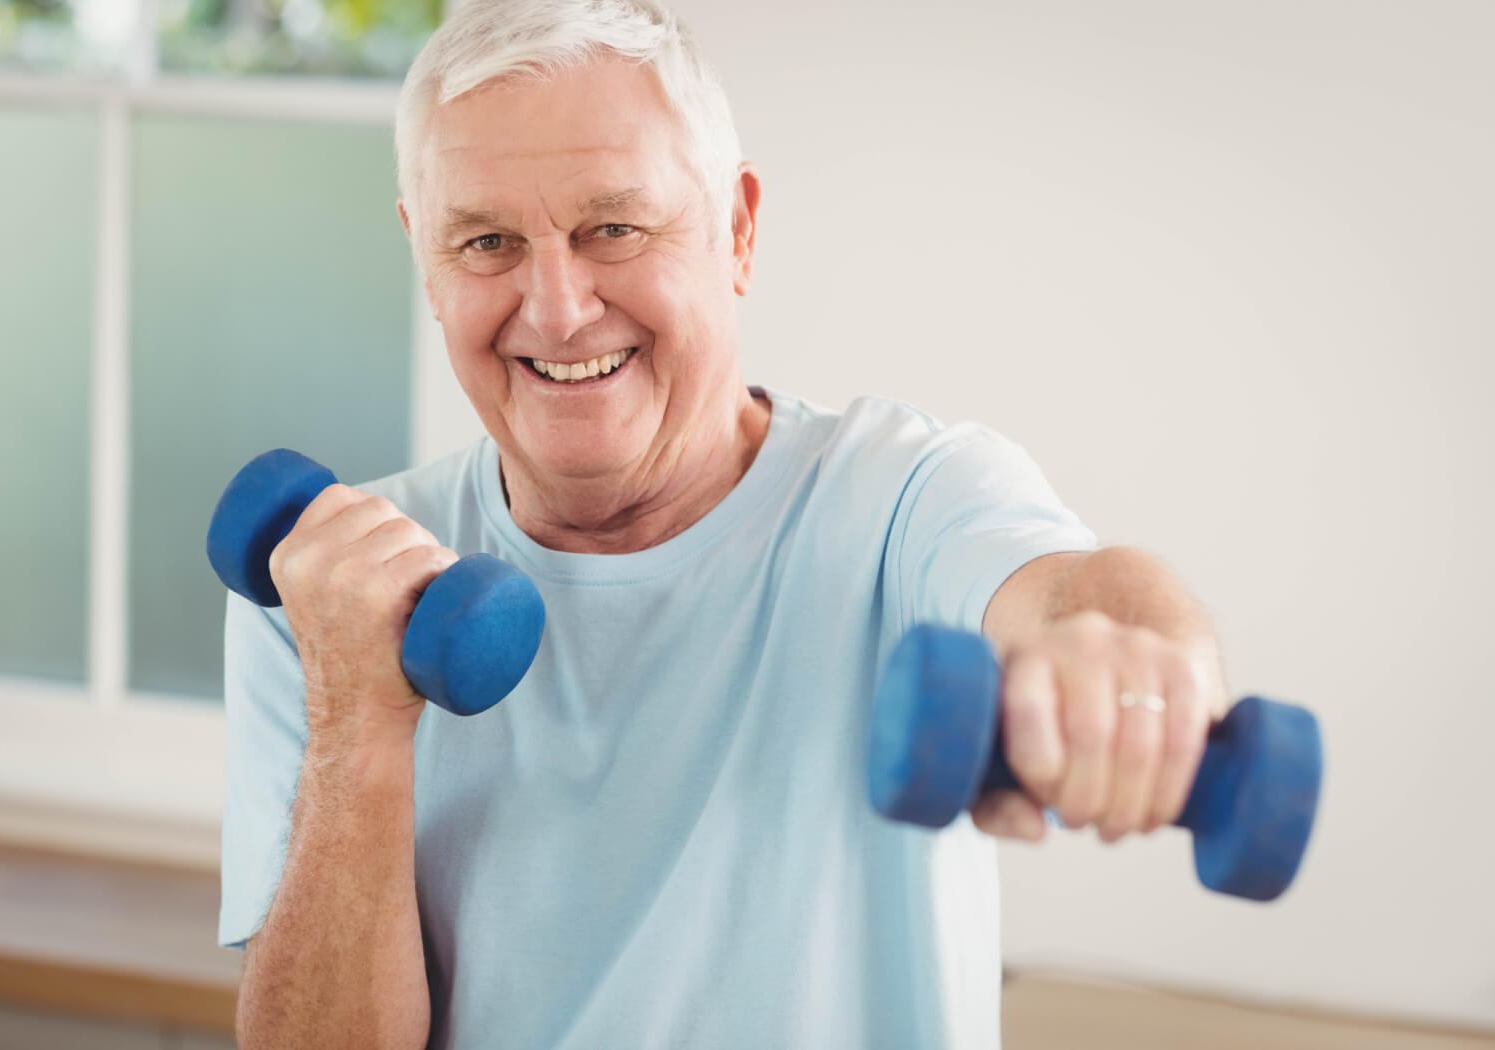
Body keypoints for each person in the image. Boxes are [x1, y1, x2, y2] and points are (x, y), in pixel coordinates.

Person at [218, 1, 1230, 1047]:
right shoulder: (329, 589)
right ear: (425, 260)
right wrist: (360, 730)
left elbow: (1073, 588)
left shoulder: (902, 499)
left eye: (613, 227)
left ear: (737, 230)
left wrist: (1133, 655)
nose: (557, 308)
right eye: (486, 242)